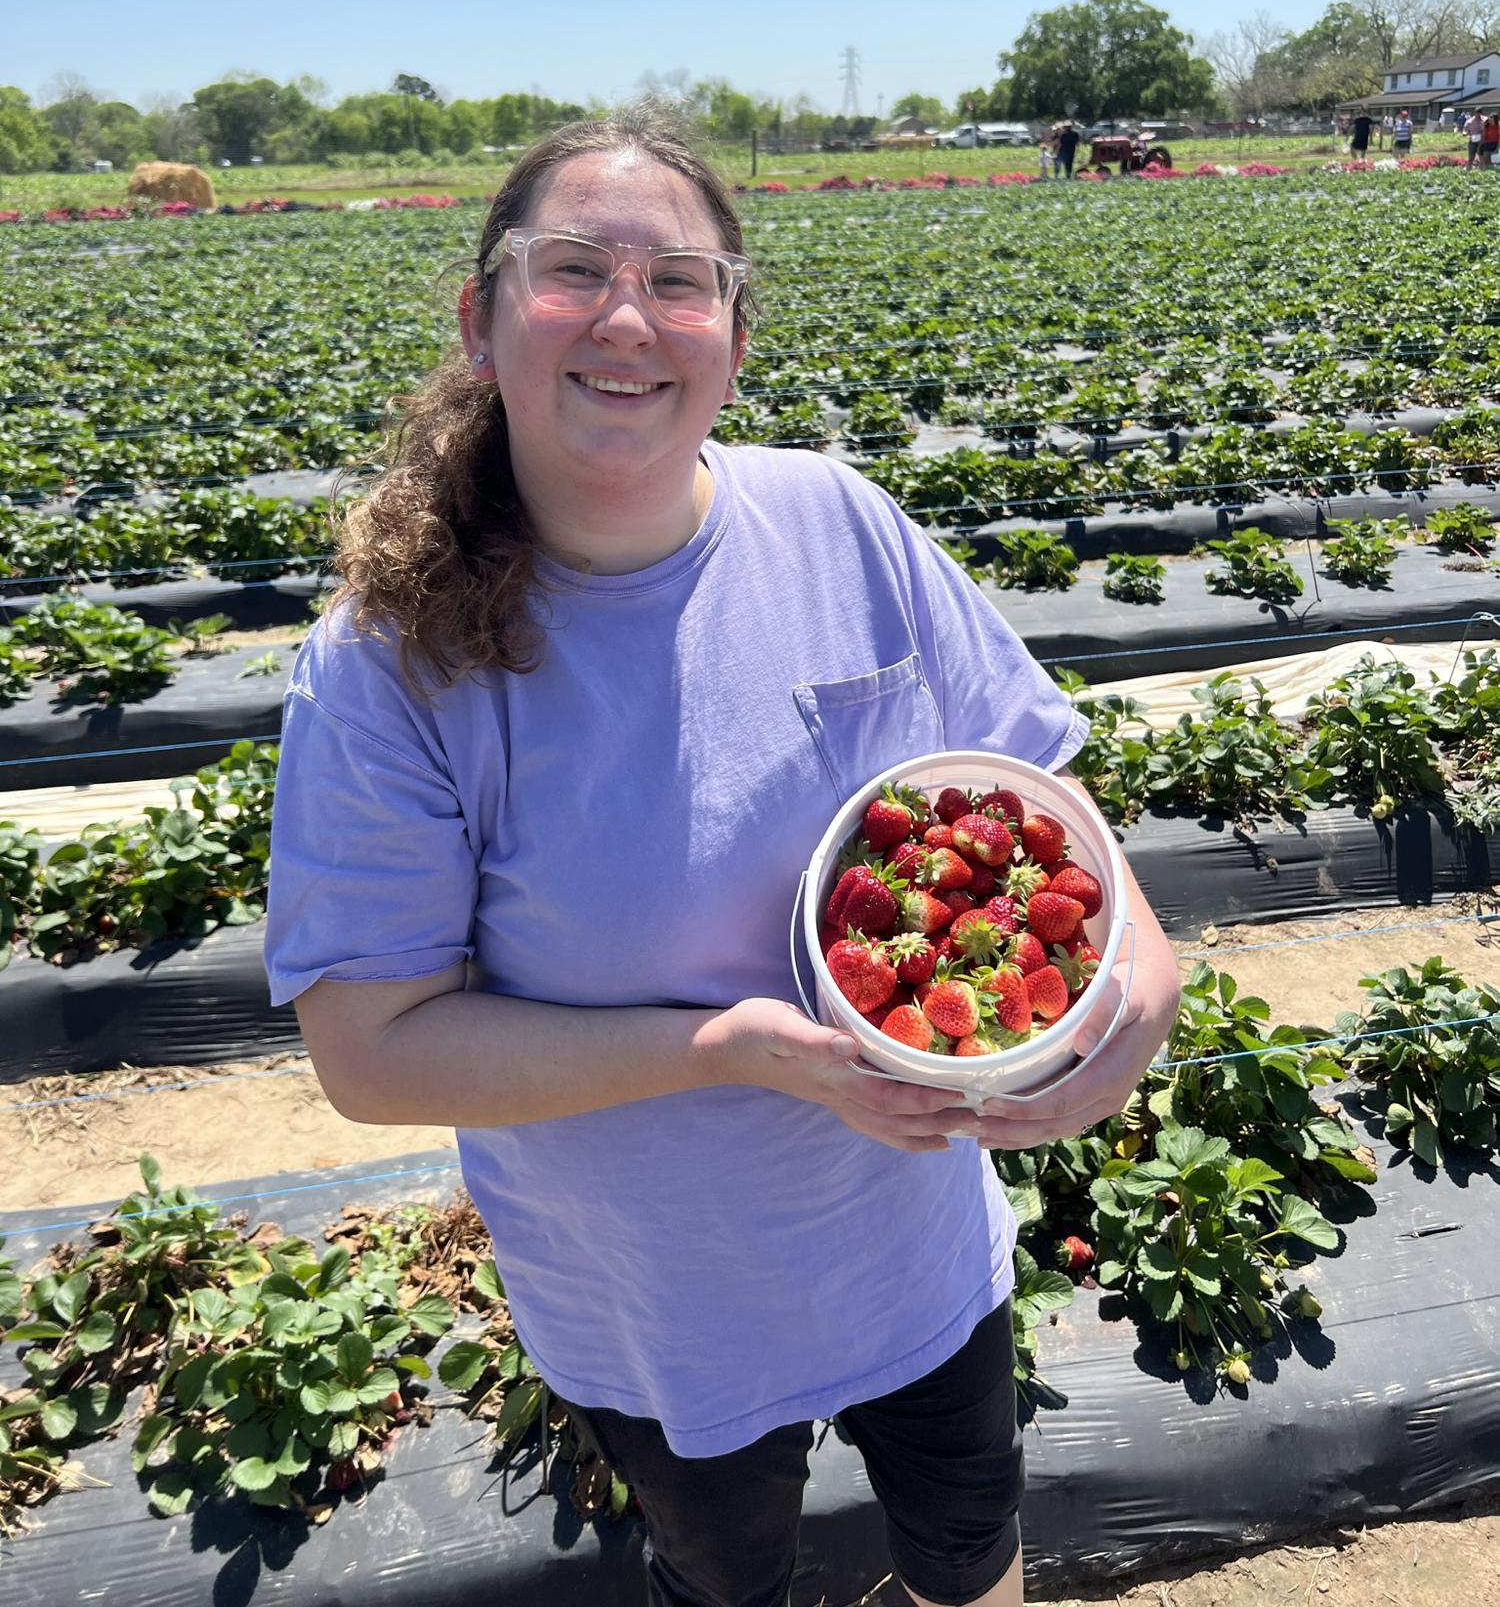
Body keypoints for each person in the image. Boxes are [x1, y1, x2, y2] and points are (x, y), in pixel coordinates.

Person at [263, 108, 1182, 1607]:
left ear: (733, 338)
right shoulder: (387, 662)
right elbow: (371, 1053)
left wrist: (1143, 970)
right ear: (482, 322)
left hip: (911, 1237)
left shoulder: (840, 523)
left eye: (679, 281)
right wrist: (731, 1048)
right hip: (654, 1295)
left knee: (971, 1550)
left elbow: (1040, 795)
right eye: (572, 270)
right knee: (728, 1580)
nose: (629, 316)